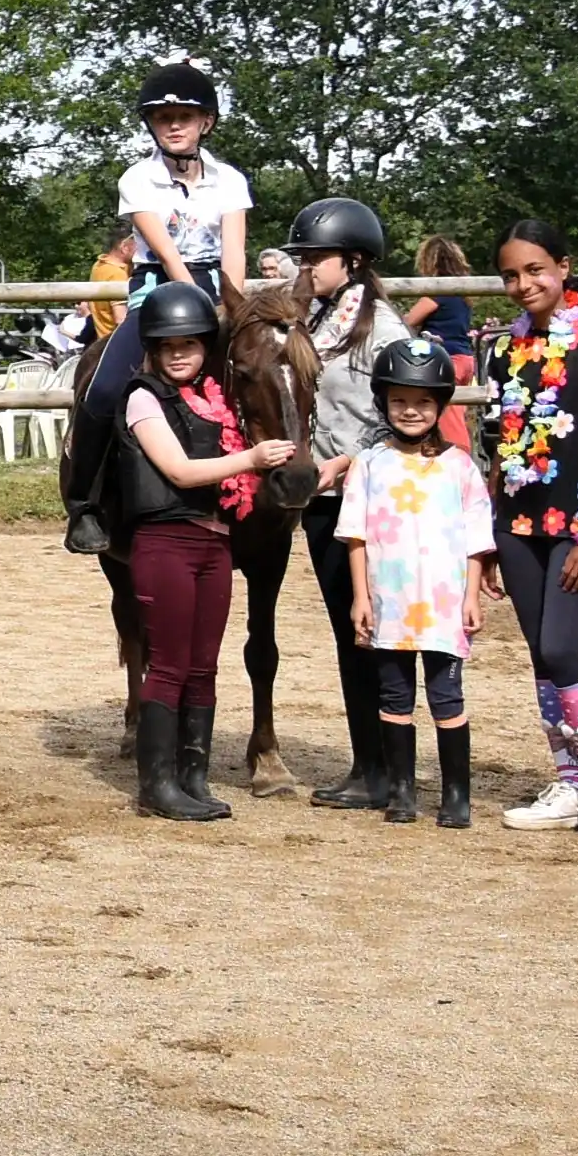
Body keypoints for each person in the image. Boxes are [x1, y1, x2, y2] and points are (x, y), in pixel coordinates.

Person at [111, 285, 298, 823]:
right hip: (166, 540)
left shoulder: (218, 398)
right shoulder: (144, 397)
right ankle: (158, 782)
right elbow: (179, 471)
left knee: (203, 666)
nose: (179, 353)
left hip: (213, 543)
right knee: (168, 665)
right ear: (153, 347)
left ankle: (193, 775)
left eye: (191, 344)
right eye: (168, 344)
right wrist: (251, 459)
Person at [482, 219, 578, 841]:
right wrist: (489, 534)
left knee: (561, 649)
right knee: (540, 659)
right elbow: (500, 446)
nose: (523, 285)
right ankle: (567, 781)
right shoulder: (502, 349)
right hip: (518, 522)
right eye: (511, 276)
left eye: (534, 271)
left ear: (564, 267)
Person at [281, 198, 418, 814]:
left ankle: (387, 765)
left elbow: (405, 416)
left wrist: (349, 459)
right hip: (323, 496)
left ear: (353, 260)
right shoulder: (316, 324)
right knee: (348, 630)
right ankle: (370, 762)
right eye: (303, 257)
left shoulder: (382, 331)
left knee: (373, 630)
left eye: (316, 258)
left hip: (367, 492)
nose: (305, 268)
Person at [72, 65, 253, 512]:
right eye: (163, 117)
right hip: (157, 290)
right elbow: (168, 255)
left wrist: (233, 308)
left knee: (269, 377)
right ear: (151, 125)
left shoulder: (229, 179)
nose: (174, 125)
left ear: (205, 123)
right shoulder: (136, 179)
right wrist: (199, 310)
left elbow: (234, 252)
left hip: (216, 286)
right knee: (105, 387)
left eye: (185, 116)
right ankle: (84, 502)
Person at [333, 335, 491, 830]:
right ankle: (401, 792)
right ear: (383, 402)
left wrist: (471, 595)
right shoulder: (368, 465)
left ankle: (456, 794)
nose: (410, 411)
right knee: (395, 697)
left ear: (439, 405)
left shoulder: (460, 468)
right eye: (399, 401)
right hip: (390, 602)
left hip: (443, 605)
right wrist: (360, 597)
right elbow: (355, 536)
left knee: (447, 698)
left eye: (423, 402)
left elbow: (476, 539)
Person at [406, 234, 478, 452]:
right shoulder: (462, 296)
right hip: (464, 358)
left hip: (448, 360)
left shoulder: (437, 292)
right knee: (455, 414)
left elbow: (408, 321)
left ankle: (458, 459)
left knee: (448, 420)